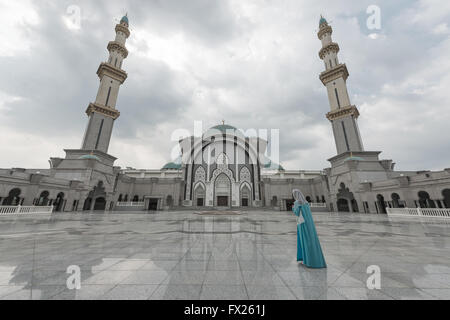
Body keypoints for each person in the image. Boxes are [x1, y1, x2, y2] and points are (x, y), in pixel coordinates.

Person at [292, 189, 327, 268]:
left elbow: (296, 212)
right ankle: (316, 260)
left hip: (302, 225)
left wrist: (293, 208)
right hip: (309, 225)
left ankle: (308, 260)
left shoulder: (297, 203)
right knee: (311, 241)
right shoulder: (306, 203)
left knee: (304, 241)